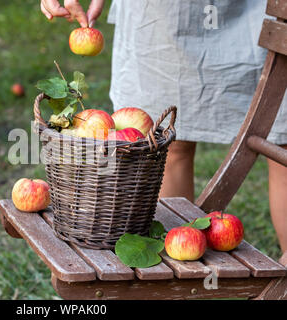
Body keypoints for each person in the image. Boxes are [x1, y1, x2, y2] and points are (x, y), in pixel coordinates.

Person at [39, 0, 287, 253]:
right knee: (166, 145)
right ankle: (174, 261)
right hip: (164, 13)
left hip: (259, 9)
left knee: (281, 136)